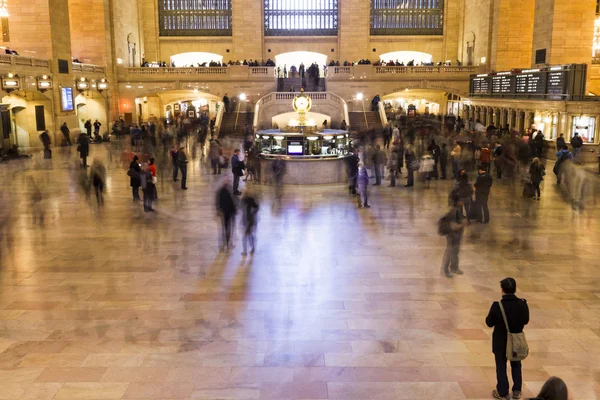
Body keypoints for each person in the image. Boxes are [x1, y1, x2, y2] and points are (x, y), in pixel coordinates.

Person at [486, 278, 529, 400]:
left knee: (501, 366)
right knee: (516, 364)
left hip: (500, 341)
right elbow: (525, 320)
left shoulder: (497, 306)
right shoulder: (522, 304)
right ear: (515, 289)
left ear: (502, 290)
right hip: (516, 341)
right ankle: (517, 390)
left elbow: (489, 323)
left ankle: (503, 391)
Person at [440, 193, 468, 278]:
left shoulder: (459, 210)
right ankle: (445, 270)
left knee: (455, 251)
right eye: (461, 200)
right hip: (452, 236)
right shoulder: (453, 211)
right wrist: (462, 225)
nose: (463, 202)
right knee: (449, 252)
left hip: (457, 235)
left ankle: (454, 267)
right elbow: (453, 226)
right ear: (458, 201)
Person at [216, 178, 236, 251]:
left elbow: (232, 202)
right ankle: (225, 244)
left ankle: (227, 244)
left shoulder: (228, 190)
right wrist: (218, 210)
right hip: (225, 213)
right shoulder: (222, 191)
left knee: (227, 229)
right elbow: (218, 201)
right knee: (226, 229)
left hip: (229, 212)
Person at [241, 189, 259, 256]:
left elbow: (256, 207)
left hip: (249, 220)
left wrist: (253, 213)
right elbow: (256, 207)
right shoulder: (244, 199)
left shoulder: (249, 200)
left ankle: (246, 250)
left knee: (246, 236)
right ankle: (251, 248)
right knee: (248, 235)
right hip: (247, 220)